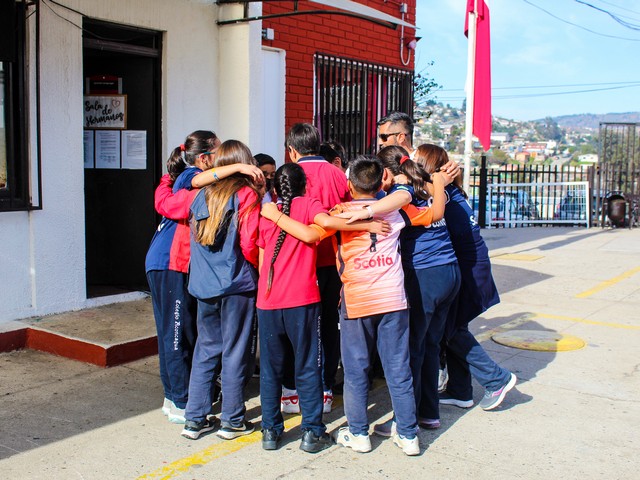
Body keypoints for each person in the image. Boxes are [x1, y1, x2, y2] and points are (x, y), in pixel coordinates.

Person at [266, 155, 453, 456]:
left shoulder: (340, 213)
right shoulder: (396, 209)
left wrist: (274, 215)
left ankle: (358, 433)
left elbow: (311, 234)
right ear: (380, 184)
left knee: (355, 371)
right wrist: (440, 183)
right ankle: (408, 436)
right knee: (398, 368)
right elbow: (435, 213)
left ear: (349, 185)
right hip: (393, 299)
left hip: (356, 302)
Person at [257, 163, 390, 453]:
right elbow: (325, 225)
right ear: (304, 185)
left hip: (267, 301)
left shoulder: (267, 213)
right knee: (308, 365)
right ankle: (312, 432)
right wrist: (367, 225)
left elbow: (261, 260)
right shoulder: (308, 204)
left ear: (276, 188)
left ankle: (270, 431)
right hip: (301, 300)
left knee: (271, 369)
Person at [338, 145, 461, 433]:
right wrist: (439, 183)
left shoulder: (348, 211)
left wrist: (364, 217)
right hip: (415, 287)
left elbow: (318, 226)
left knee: (370, 365)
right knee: (414, 356)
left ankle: (370, 430)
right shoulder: (409, 198)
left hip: (375, 293)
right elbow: (434, 214)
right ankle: (416, 425)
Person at [417, 144, 517, 411]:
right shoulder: (451, 190)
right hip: (470, 265)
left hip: (468, 268)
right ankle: (460, 390)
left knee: (451, 330)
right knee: (453, 326)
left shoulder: (441, 194)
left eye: (417, 161)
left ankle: (496, 378)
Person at [181, 140, 261, 441]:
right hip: (236, 283)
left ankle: (194, 419)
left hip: (204, 284)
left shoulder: (203, 193)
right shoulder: (246, 195)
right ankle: (232, 420)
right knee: (235, 351)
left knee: (206, 349)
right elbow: (250, 243)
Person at [285, 123, 350, 414]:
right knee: (328, 324)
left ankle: (293, 389)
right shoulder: (337, 174)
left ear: (292, 150)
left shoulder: (292, 173)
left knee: (298, 326)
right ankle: (325, 388)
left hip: (298, 261)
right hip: (332, 260)